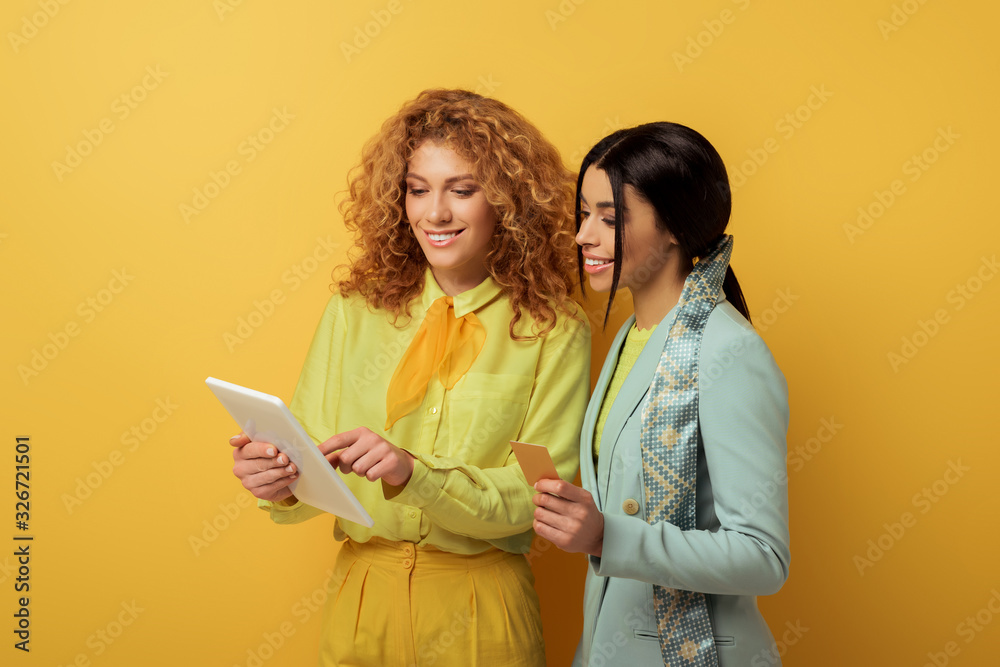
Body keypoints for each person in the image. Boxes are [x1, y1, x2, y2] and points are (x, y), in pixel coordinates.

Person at [229, 89, 590, 667]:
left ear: (507, 201)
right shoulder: (354, 311)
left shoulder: (553, 329)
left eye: (462, 190)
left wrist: (414, 474)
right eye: (418, 189)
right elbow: (312, 466)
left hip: (482, 608)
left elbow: (535, 498)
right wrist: (277, 480)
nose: (435, 213)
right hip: (361, 602)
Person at [531, 122, 790, 666]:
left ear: (673, 226)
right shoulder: (631, 337)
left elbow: (764, 557)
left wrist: (608, 538)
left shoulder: (728, 352)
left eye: (610, 218)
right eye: (584, 214)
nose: (584, 236)